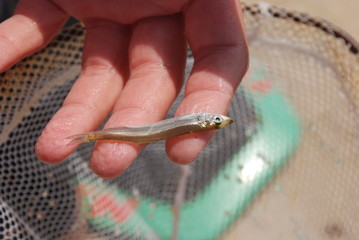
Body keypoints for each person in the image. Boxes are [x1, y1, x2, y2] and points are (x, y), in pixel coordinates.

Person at [0, 0, 249, 178]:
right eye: (216, 119)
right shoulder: (200, 121)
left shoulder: (198, 122)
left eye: (216, 121)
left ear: (204, 123)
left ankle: (96, 135)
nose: (217, 119)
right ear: (206, 120)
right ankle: (95, 134)